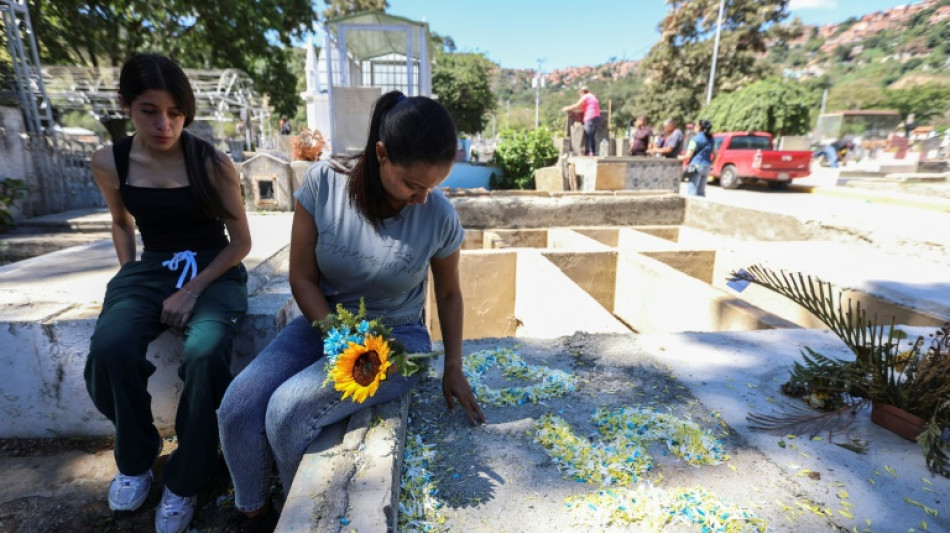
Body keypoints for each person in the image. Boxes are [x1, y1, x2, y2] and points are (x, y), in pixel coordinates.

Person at [217, 90, 486, 530]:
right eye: (412, 185)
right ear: (381, 154)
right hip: (323, 319)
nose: (422, 199)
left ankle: (295, 514)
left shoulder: (437, 215)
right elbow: (302, 277)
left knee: (288, 411)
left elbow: (450, 294)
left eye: (433, 186)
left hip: (398, 338)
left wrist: (453, 365)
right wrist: (335, 335)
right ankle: (252, 511)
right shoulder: (324, 185)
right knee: (238, 406)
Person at [84, 54, 252, 533]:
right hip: (151, 265)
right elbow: (121, 223)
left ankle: (187, 477)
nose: (164, 124)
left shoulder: (212, 164)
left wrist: (193, 290)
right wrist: (128, 280)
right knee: (111, 345)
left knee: (206, 349)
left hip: (213, 267)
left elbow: (241, 243)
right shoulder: (109, 161)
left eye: (176, 113)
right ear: (126, 106)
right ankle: (135, 456)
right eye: (150, 110)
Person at [561, 86, 602, 156]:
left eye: (579, 93)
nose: (579, 95)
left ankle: (589, 152)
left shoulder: (585, 97)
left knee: (588, 135)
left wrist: (567, 108)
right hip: (597, 117)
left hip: (590, 117)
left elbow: (577, 105)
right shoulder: (593, 97)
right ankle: (593, 152)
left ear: (582, 92)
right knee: (592, 136)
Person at [679, 119, 714, 197]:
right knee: (701, 192)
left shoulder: (695, 139)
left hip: (696, 167)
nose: (694, 127)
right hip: (707, 167)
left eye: (695, 125)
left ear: (699, 127)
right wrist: (711, 163)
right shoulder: (711, 139)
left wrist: (679, 158)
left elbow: (688, 156)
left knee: (692, 191)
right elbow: (716, 154)